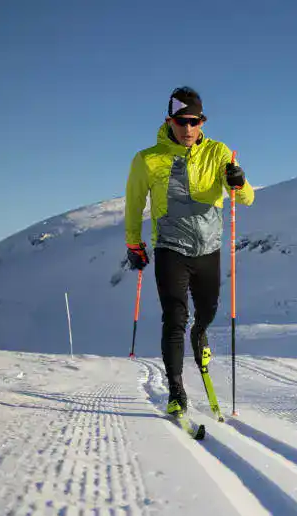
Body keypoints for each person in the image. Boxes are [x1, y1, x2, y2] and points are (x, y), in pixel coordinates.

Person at [124, 86, 255, 416]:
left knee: (207, 313)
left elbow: (245, 198)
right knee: (175, 317)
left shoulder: (218, 152)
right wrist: (133, 243)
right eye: (181, 121)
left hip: (208, 250)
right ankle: (176, 390)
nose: (187, 129)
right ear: (170, 121)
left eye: (193, 121)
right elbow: (134, 204)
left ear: (201, 122)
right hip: (170, 249)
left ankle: (201, 335)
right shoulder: (147, 159)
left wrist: (239, 181)